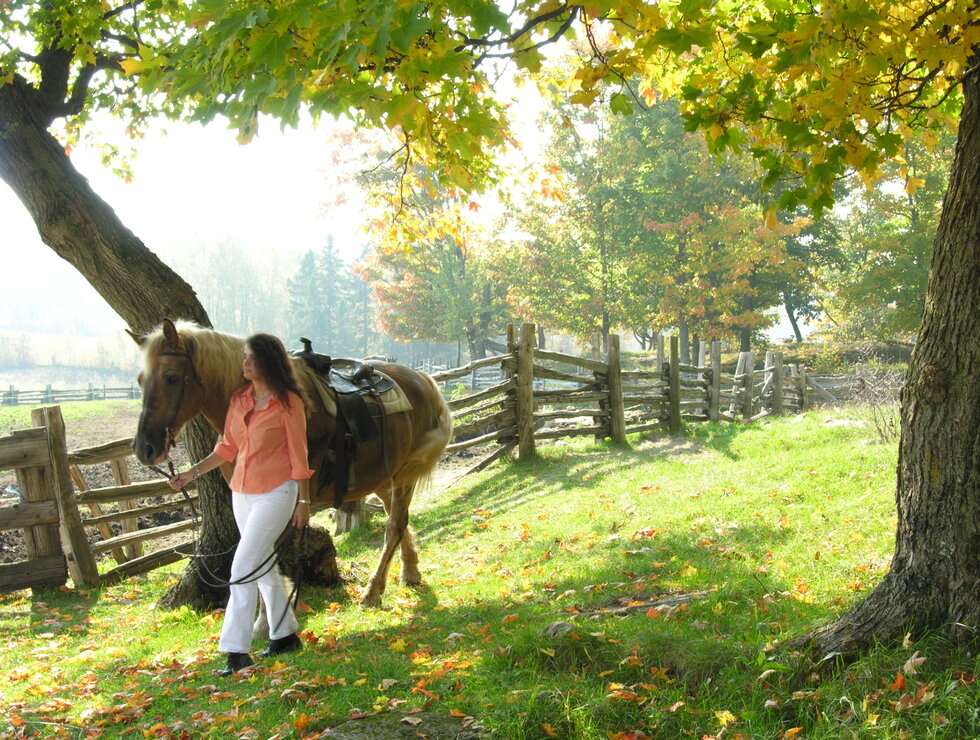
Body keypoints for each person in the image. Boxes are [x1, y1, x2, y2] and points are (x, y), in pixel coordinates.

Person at [169, 333, 314, 677]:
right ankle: (285, 635)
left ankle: (236, 652)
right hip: (242, 492)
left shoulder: (288, 403)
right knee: (261, 566)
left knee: (242, 570)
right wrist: (191, 474)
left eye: (250, 358)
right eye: (243, 357)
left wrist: (304, 500)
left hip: (278, 493)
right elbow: (226, 449)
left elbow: (299, 455)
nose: (244, 363)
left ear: (266, 362)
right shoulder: (240, 399)